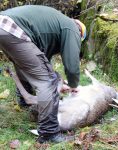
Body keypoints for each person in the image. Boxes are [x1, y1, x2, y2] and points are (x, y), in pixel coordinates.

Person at [0, 5, 86, 143]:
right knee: (47, 81)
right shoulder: (72, 28)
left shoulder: (54, 23)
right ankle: (49, 133)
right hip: (14, 29)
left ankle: (24, 103)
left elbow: (39, 63)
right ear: (80, 33)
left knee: (26, 66)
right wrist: (73, 84)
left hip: (4, 25)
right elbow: (71, 64)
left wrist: (61, 83)